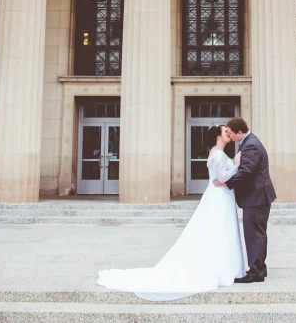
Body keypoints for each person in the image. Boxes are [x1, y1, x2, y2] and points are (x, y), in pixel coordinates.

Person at [97, 125, 245, 301]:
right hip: (219, 197)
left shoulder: (216, 152)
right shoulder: (218, 154)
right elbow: (221, 178)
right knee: (220, 230)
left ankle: (226, 266)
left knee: (222, 231)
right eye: (225, 131)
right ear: (217, 136)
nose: (228, 133)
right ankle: (221, 268)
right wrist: (236, 165)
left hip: (221, 196)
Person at [213, 117, 276, 283]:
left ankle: (255, 272)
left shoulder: (251, 145)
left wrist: (225, 182)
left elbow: (247, 172)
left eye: (231, 133)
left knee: (254, 234)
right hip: (256, 197)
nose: (229, 136)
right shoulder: (247, 142)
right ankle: (258, 269)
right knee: (256, 234)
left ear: (239, 133)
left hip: (256, 197)